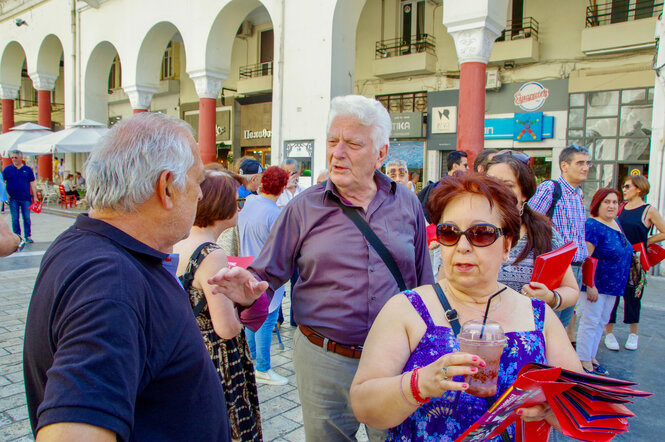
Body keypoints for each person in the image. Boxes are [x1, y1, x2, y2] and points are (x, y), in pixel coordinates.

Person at [23, 113, 264, 441]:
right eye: (196, 183)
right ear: (166, 187)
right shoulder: (111, 281)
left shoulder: (93, 245)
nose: (200, 196)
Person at [209, 94, 433, 441]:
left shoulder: (406, 203)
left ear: (381, 153)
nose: (337, 153)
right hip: (324, 358)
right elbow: (265, 276)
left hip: (393, 359)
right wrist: (249, 291)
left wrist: (428, 347)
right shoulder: (303, 208)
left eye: (353, 144)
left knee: (395, 437)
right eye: (332, 141)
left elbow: (423, 282)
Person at [349, 173, 582, 440]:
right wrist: (419, 384)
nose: (462, 246)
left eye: (480, 234)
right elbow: (363, 406)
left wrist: (555, 411)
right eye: (449, 233)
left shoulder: (539, 316)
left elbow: (581, 404)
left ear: (507, 245)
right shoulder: (406, 309)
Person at [174, 169, 263, 441]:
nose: (239, 207)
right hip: (217, 359)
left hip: (187, 349)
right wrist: (243, 307)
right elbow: (225, 328)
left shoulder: (178, 239)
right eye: (236, 201)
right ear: (220, 205)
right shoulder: (211, 254)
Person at [487, 152, 579, 312]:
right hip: (475, 331)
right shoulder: (467, 231)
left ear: (524, 193)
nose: (497, 192)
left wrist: (551, 298)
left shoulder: (544, 233)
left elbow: (571, 289)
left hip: (527, 332)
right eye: (490, 185)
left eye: (508, 185)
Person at [529, 145, 590, 333]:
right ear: (564, 165)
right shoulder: (551, 188)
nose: (585, 167)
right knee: (549, 322)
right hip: (556, 268)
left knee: (564, 321)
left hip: (577, 267)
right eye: (580, 163)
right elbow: (530, 220)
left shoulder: (578, 194)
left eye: (588, 163)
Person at [238, 166, 290, 385]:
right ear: (282, 188)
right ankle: (262, 367)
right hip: (267, 275)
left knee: (251, 319)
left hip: (246, 268)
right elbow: (283, 250)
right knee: (266, 321)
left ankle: (251, 362)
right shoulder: (275, 215)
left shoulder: (248, 203)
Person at [605, 175, 665, 351]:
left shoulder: (649, 210)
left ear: (639, 189)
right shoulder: (620, 208)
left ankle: (633, 334)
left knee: (633, 297)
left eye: (627, 186)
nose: (623, 189)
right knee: (612, 296)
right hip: (617, 257)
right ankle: (609, 333)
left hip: (636, 260)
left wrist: (646, 242)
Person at [577, 188, 632, 375]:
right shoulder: (593, 225)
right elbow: (586, 257)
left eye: (615, 202)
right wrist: (590, 285)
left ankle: (591, 357)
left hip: (614, 286)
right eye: (607, 202)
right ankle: (583, 361)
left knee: (601, 322)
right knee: (590, 323)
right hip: (596, 286)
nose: (611, 206)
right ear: (598, 204)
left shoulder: (616, 223)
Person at [418, 150, 469, 223]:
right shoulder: (442, 187)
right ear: (455, 166)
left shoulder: (456, 185)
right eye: (465, 165)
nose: (467, 169)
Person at [2, 149, 36, 243]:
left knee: (26, 218)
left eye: (15, 157)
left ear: (21, 158)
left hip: (26, 198)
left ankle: (28, 236)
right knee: (15, 219)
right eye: (12, 157)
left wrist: (35, 196)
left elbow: (32, 183)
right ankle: (17, 237)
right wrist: (5, 195)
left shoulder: (28, 170)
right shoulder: (7, 169)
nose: (13, 159)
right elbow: (2, 182)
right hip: (13, 198)